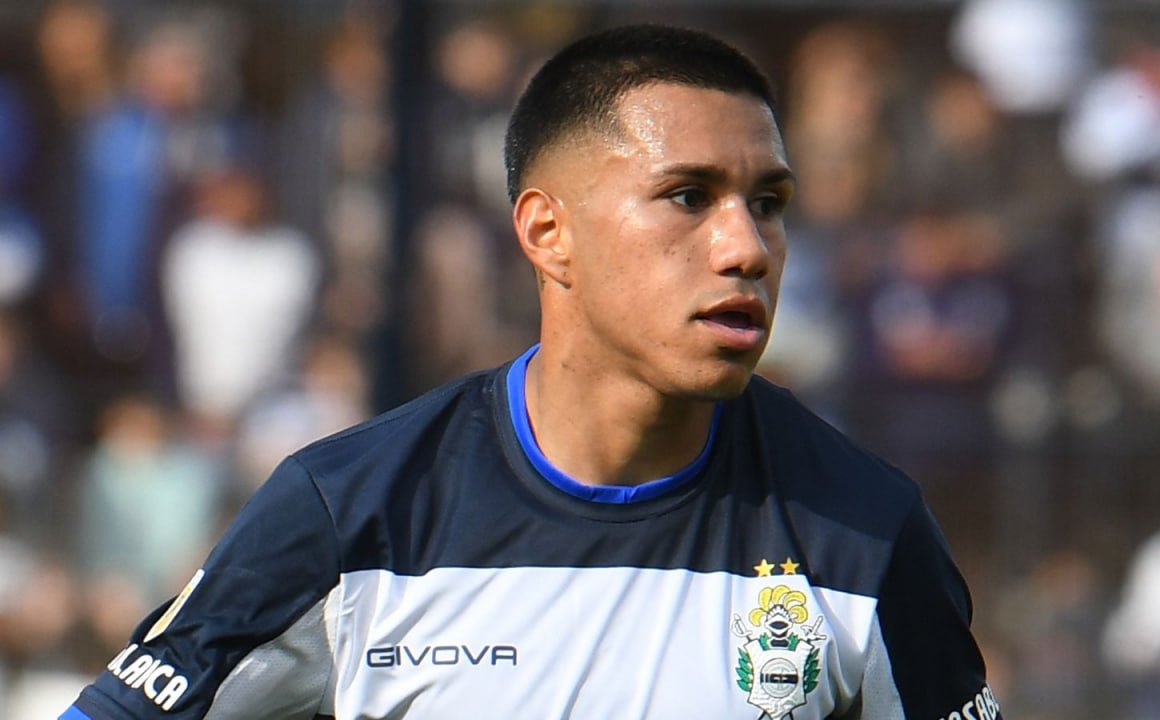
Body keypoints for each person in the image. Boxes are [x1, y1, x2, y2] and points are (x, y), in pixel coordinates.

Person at [61, 24, 1001, 719]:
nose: (746, 247)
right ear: (549, 232)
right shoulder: (350, 512)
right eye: (688, 196)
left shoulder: (866, 534)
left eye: (769, 202)